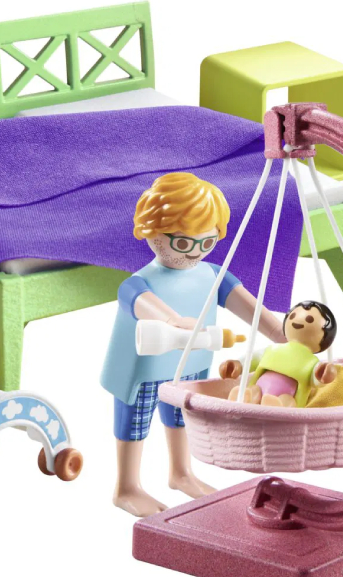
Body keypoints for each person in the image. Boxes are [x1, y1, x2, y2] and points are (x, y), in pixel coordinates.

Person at [100, 172, 285, 517]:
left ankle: (181, 473)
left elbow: (249, 306)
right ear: (151, 231)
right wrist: (173, 321)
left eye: (207, 243)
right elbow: (144, 304)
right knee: (134, 426)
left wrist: (281, 333)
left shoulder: (212, 275)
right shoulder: (138, 282)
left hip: (191, 366)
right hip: (143, 371)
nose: (195, 253)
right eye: (184, 243)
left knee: (183, 418)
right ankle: (126, 487)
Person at [219, 301, 339, 407]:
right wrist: (238, 365)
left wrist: (323, 374)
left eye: (309, 320)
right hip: (258, 389)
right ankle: (245, 397)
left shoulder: (312, 363)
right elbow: (253, 358)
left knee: (287, 401)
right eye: (293, 316)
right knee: (253, 391)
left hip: (287, 398)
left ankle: (277, 405)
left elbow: (316, 379)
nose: (297, 320)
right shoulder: (273, 349)